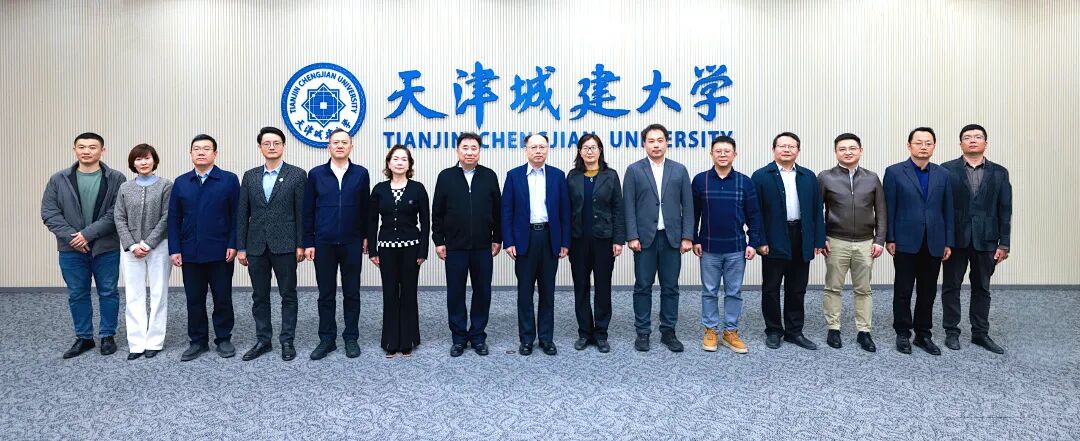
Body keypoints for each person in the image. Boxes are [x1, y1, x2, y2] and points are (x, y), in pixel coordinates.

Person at [41, 132, 126, 359]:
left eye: (92, 147)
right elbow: (49, 213)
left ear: (102, 151)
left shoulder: (116, 178)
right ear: (75, 149)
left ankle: (107, 336)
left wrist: (87, 235)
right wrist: (73, 238)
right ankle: (84, 337)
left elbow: (117, 212)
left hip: (105, 247)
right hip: (71, 249)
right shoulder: (58, 179)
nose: (86, 151)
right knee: (77, 293)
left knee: (108, 292)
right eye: (81, 147)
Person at [236, 127, 307, 361]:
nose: (272, 147)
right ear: (260, 148)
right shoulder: (250, 176)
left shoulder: (297, 175)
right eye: (267, 143)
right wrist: (241, 247)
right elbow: (242, 213)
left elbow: (301, 213)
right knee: (259, 296)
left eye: (276, 143)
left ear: (284, 146)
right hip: (256, 245)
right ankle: (263, 340)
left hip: (286, 244)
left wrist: (301, 244)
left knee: (288, 294)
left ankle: (287, 340)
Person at [751, 132, 826, 351]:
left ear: (798, 151)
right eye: (782, 146)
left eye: (791, 146)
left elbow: (817, 210)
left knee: (797, 287)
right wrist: (759, 240)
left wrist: (818, 240)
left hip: (801, 235)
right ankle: (774, 330)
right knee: (771, 288)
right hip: (773, 237)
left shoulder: (808, 176)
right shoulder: (761, 176)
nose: (786, 150)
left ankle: (794, 331)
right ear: (774, 149)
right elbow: (755, 212)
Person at [168, 134, 241, 361]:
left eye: (206, 148)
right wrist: (174, 248)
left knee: (222, 297)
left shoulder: (229, 180)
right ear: (190, 154)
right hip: (190, 251)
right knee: (194, 299)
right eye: (196, 149)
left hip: (221, 251)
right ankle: (198, 341)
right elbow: (173, 218)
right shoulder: (181, 182)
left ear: (215, 153)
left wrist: (233, 243)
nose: (201, 152)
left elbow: (237, 216)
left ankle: (223, 338)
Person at [623, 123, 694, 353]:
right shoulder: (634, 170)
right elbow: (628, 206)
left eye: (660, 140)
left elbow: (688, 206)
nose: (656, 145)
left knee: (670, 287)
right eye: (651, 141)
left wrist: (687, 236)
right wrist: (632, 236)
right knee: (643, 286)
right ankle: (643, 332)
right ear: (644, 144)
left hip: (672, 238)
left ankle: (668, 331)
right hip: (644, 239)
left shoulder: (679, 170)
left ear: (667, 143)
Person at [941, 124, 1011, 354]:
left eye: (977, 137)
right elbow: (941, 208)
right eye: (967, 137)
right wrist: (943, 240)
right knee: (951, 287)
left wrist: (1004, 243)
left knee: (982, 287)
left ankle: (980, 333)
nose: (972, 140)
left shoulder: (1000, 173)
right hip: (955, 240)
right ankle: (951, 331)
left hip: (987, 239)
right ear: (960, 143)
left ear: (985, 143)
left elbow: (1005, 210)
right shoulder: (946, 170)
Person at [884, 127, 954, 355]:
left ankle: (923, 334)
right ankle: (903, 333)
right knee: (903, 289)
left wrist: (948, 241)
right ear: (909, 145)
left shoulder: (943, 174)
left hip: (934, 241)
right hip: (905, 240)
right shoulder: (894, 172)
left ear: (934, 146)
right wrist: (890, 238)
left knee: (928, 291)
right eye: (919, 142)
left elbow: (948, 210)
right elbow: (889, 208)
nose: (923, 147)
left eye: (928, 143)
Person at [431, 132, 502, 357]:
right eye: (465, 148)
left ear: (479, 151)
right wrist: (439, 241)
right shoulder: (446, 177)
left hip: (483, 246)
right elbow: (437, 212)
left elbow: (498, 211)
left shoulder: (489, 176)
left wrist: (497, 238)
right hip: (455, 247)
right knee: (455, 293)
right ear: (457, 150)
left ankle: (478, 336)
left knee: (483, 292)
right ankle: (459, 338)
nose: (469, 152)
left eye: (474, 148)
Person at [691, 135, 763, 354]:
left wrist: (753, 242)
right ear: (711, 154)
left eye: (727, 151)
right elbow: (693, 214)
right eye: (718, 151)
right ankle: (710, 330)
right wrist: (694, 239)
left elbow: (754, 215)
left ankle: (730, 331)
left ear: (734, 154)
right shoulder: (700, 180)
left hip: (736, 248)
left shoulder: (745, 181)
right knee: (709, 291)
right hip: (708, 248)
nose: (722, 155)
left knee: (734, 292)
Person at [303, 128, 370, 360]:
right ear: (328, 146)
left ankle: (351, 337)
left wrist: (366, 236)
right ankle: (327, 339)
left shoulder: (361, 173)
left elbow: (366, 209)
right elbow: (308, 210)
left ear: (351, 146)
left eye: (344, 142)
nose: (340, 146)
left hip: (352, 242)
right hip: (323, 243)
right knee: (326, 294)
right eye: (335, 142)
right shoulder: (316, 174)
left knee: (352, 293)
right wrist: (308, 241)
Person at [502, 133, 570, 356]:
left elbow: (565, 212)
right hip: (525, 239)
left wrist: (565, 242)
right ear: (526, 150)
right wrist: (508, 241)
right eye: (534, 147)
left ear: (548, 149)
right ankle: (527, 339)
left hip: (550, 238)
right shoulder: (514, 176)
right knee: (525, 292)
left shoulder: (558, 176)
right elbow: (506, 211)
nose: (538, 151)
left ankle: (546, 339)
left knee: (547, 291)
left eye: (542, 147)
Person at [818, 133, 886, 352]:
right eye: (842, 149)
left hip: (866, 242)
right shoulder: (825, 177)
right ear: (836, 152)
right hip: (835, 241)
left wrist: (880, 240)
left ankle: (864, 331)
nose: (848, 152)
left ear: (860, 151)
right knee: (833, 287)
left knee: (864, 289)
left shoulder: (872, 178)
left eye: (852, 148)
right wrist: (821, 238)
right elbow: (817, 210)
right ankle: (833, 328)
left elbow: (881, 211)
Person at [368, 145, 430, 358]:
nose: (400, 162)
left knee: (409, 293)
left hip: (412, 249)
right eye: (395, 158)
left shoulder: (418, 189)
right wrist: (373, 250)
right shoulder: (379, 189)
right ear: (388, 163)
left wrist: (423, 251)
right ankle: (390, 341)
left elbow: (426, 222)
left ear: (409, 164)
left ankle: (408, 340)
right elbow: (371, 221)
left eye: (404, 159)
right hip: (386, 249)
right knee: (390, 293)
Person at [566, 134, 624, 353]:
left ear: (600, 150)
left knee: (602, 287)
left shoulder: (610, 175)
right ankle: (584, 332)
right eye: (585, 148)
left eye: (593, 147)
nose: (589, 151)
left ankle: (601, 333)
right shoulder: (572, 176)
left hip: (604, 240)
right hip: (578, 240)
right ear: (580, 152)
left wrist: (618, 239)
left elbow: (618, 209)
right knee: (580, 287)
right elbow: (566, 210)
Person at [114, 143, 172, 360]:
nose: (143, 162)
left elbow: (167, 217)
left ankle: (154, 341)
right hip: (130, 248)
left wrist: (148, 243)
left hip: (159, 247)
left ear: (154, 160)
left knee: (159, 293)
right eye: (138, 159)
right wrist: (131, 245)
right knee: (134, 295)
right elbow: (119, 217)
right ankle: (136, 343)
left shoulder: (166, 185)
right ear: (133, 163)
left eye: (147, 158)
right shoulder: (125, 188)